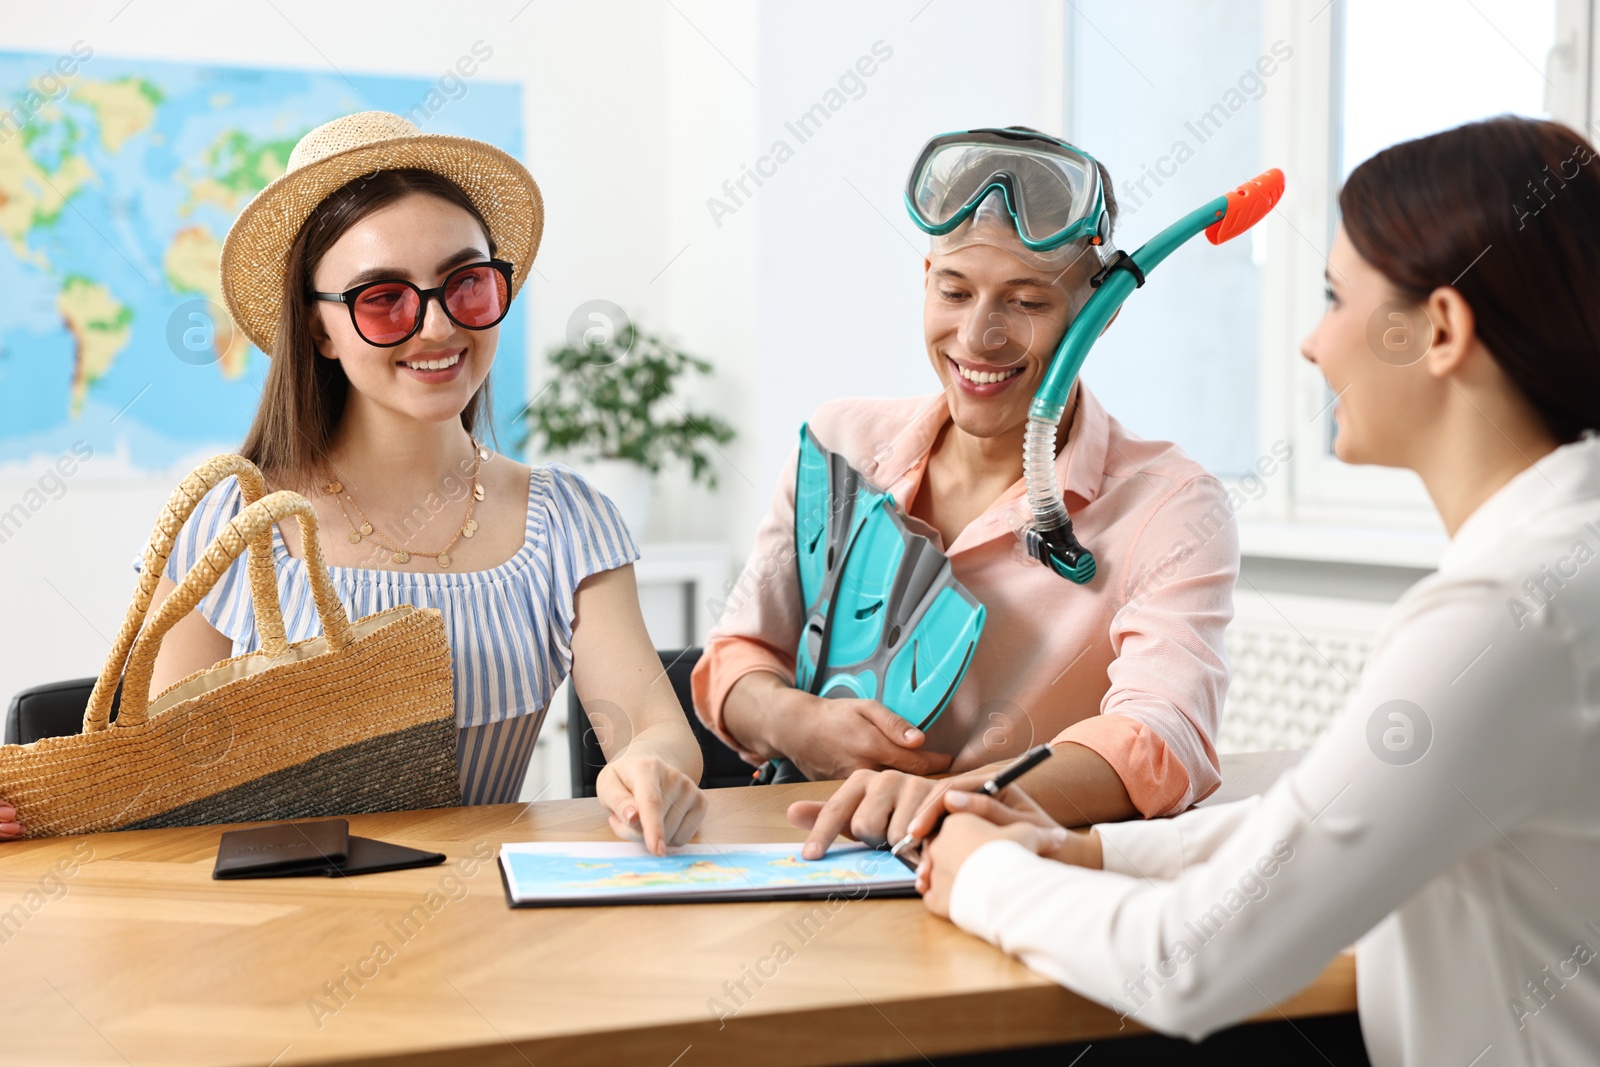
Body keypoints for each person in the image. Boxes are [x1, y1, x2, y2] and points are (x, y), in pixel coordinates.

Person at [915, 116, 1600, 1066]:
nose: (1314, 345)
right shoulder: (1562, 563)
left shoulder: (1508, 617)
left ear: (1437, 330)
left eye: (1333, 298)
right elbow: (1321, 821)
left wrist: (981, 872)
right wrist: (1088, 851)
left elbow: (1191, 962)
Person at [0, 112, 707, 852]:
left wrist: (649, 768)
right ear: (318, 329)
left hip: (490, 930)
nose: (436, 328)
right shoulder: (233, 522)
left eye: (465, 284)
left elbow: (652, 722)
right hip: (277, 936)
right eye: (383, 298)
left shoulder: (567, 518)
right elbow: (154, 792)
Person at [691, 127, 1243, 858]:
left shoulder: (1171, 506)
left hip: (1000, 880)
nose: (978, 336)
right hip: (801, 856)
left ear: (1099, 313)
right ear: (927, 279)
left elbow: (1161, 738)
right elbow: (735, 660)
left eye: (1026, 302)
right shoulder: (839, 444)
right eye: (954, 291)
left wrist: (963, 798)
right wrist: (802, 725)